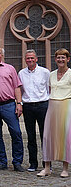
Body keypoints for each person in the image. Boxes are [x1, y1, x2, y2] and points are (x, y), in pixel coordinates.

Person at [38, 48, 71, 178]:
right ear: (55, 59)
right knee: (48, 136)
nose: (60, 60)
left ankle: (65, 168)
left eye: (63, 57)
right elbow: (50, 90)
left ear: (68, 59)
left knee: (65, 137)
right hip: (52, 106)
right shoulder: (51, 74)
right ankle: (47, 168)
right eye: (58, 57)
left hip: (66, 105)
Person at [18, 49, 50, 172]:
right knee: (31, 136)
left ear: (36, 59)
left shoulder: (45, 72)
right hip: (28, 106)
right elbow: (20, 90)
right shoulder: (21, 73)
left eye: (32, 58)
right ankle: (33, 163)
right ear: (25, 60)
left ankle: (47, 163)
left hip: (43, 105)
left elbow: (49, 88)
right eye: (28, 58)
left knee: (45, 136)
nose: (30, 60)